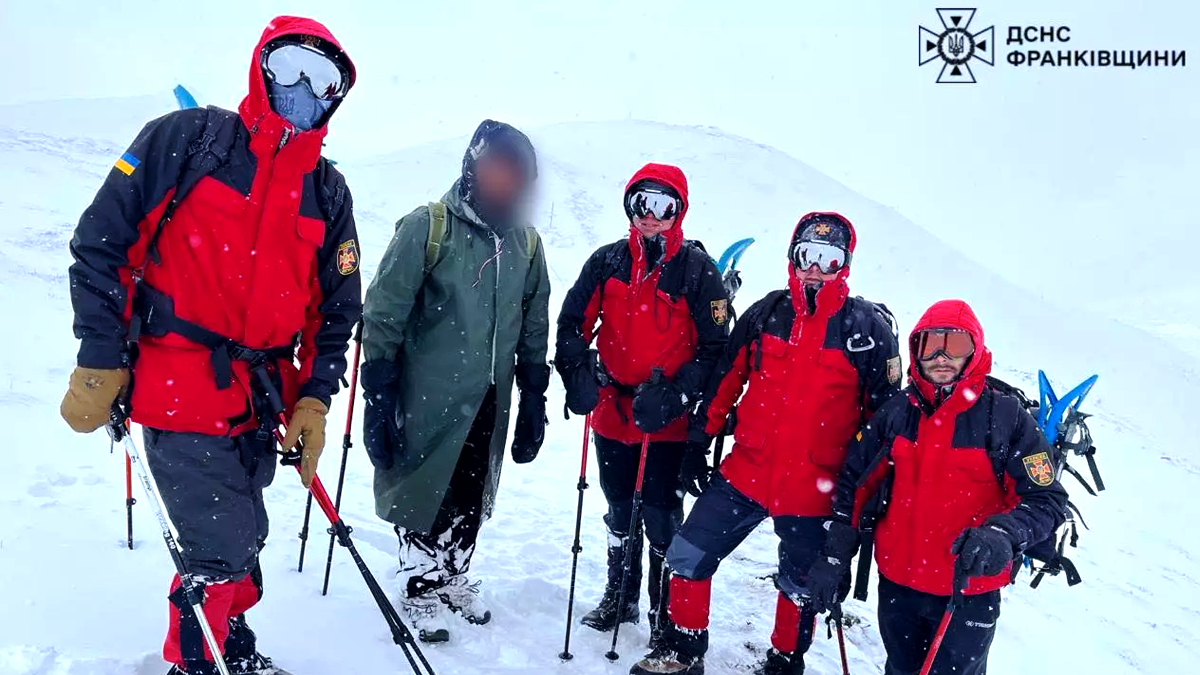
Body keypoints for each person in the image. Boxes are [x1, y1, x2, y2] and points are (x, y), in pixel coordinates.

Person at [59, 16, 360, 675]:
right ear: (260, 66)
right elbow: (101, 245)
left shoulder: (327, 190)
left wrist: (313, 397)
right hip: (176, 383)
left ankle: (232, 643)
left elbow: (338, 310)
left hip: (259, 397)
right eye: (288, 68)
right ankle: (196, 663)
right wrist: (100, 359)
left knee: (244, 533)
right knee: (217, 545)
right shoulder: (189, 141)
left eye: (323, 79)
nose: (303, 89)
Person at [632, 212, 902, 675]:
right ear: (793, 259)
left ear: (845, 265)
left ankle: (783, 661)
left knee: (800, 586)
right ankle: (682, 650)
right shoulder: (766, 313)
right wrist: (700, 440)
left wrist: (860, 499)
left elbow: (883, 426)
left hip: (815, 488)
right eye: (807, 256)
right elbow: (725, 381)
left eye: (828, 258)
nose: (815, 268)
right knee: (687, 555)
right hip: (746, 472)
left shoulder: (867, 332)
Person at [360, 119, 550, 643]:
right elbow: (383, 314)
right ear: (472, 167)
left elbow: (535, 324)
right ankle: (420, 586)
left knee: (471, 492)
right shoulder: (429, 227)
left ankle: (452, 573)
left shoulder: (526, 245)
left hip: (491, 397)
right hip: (428, 394)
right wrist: (378, 396)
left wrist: (534, 396)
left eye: (515, 174)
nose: (504, 183)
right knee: (426, 488)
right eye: (495, 169)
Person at [806, 299, 1069, 675]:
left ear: (975, 352)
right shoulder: (898, 413)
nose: (942, 356)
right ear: (916, 350)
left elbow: (1047, 499)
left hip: (968, 591)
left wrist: (1002, 534)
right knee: (900, 668)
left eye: (956, 345)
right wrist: (835, 556)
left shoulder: (1007, 418)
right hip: (899, 585)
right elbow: (854, 486)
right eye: (931, 345)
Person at [554, 163, 728, 645]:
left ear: (679, 212)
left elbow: (718, 349)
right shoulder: (606, 262)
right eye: (642, 204)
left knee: (659, 513)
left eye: (663, 206)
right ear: (630, 207)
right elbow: (570, 326)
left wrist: (677, 394)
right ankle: (620, 594)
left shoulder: (697, 271)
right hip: (613, 412)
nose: (651, 216)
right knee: (617, 505)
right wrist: (578, 374)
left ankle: (663, 610)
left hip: (665, 420)